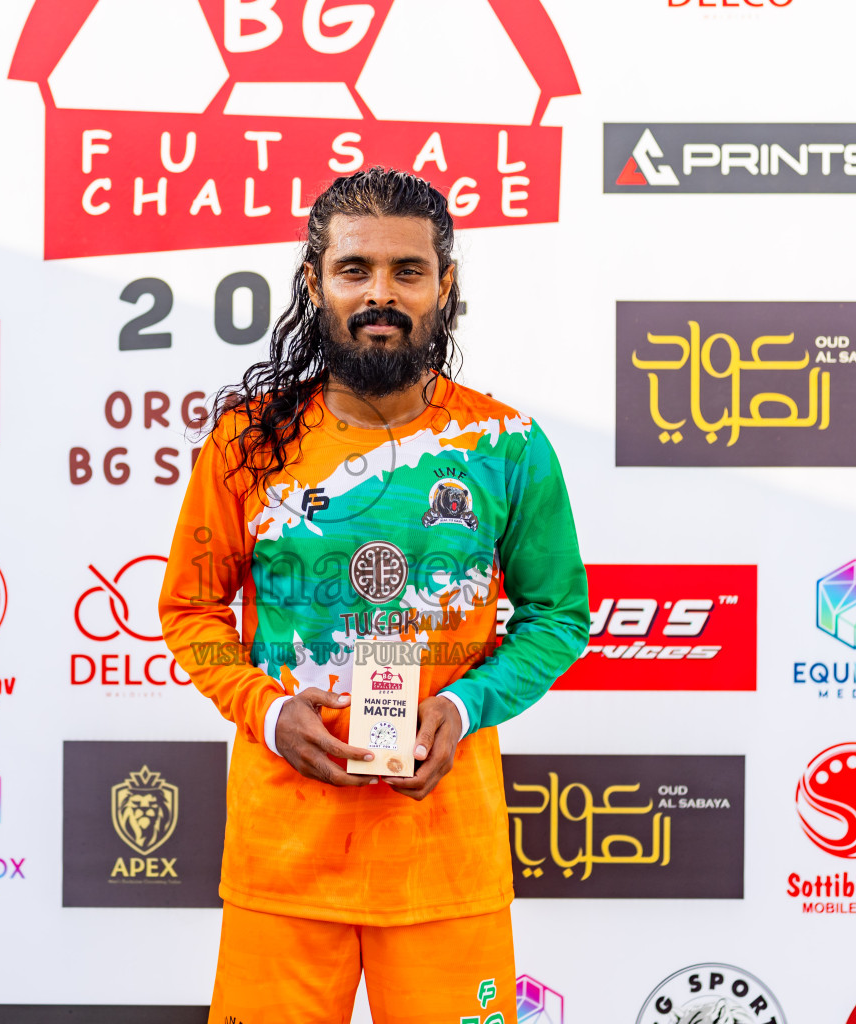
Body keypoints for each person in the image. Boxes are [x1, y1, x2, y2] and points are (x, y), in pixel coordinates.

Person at [159, 167, 588, 1024]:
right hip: (284, 858)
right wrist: (268, 710)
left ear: (446, 285)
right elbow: (190, 611)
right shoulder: (248, 443)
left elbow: (557, 616)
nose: (380, 294)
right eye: (355, 269)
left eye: (407, 270)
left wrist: (465, 708)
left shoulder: (507, 445)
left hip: (443, 866)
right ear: (314, 281)